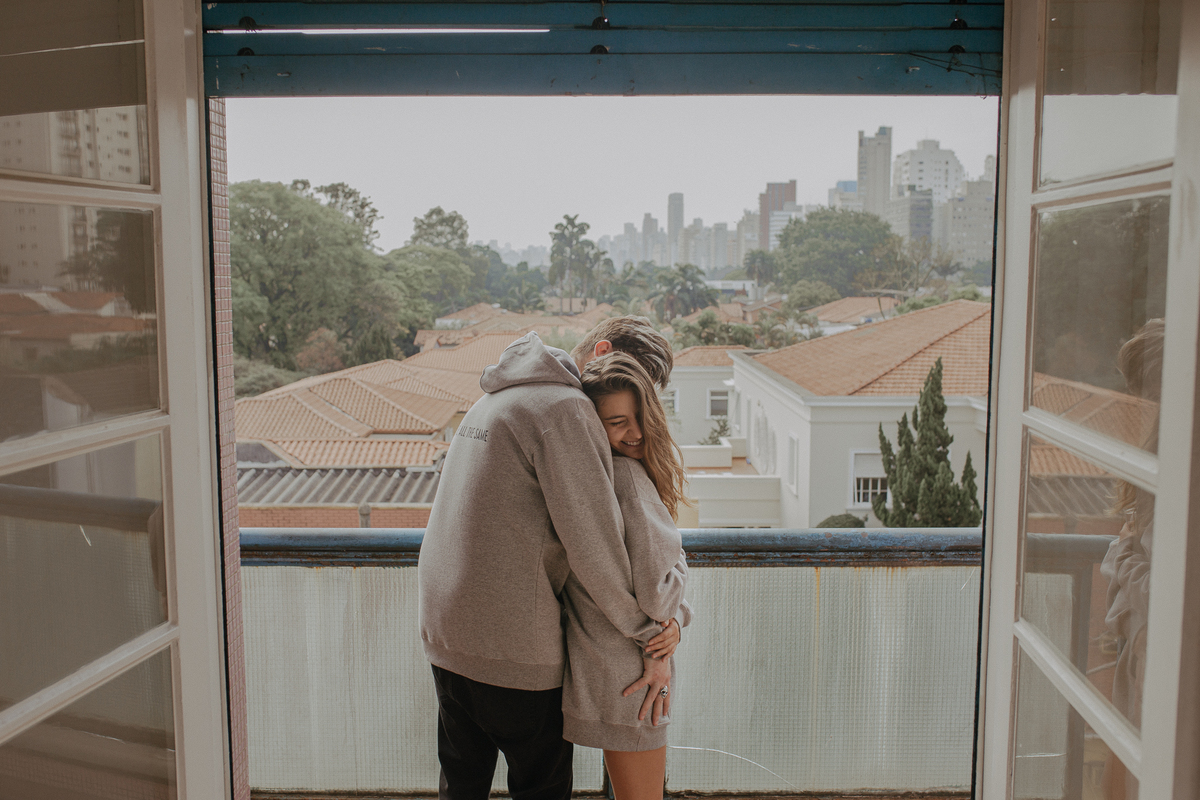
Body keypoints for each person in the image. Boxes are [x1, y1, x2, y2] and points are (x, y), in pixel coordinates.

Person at [418, 317, 680, 799]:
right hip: (513, 646)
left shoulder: (500, 393)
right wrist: (654, 634)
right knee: (542, 788)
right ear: (603, 354)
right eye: (630, 397)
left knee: (462, 785)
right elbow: (594, 548)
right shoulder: (566, 409)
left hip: (447, 634)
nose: (635, 427)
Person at [566, 352, 692, 799]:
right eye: (617, 422)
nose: (635, 433)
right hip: (636, 673)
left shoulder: (589, 480)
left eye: (640, 417)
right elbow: (659, 598)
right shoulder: (628, 476)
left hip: (599, 664)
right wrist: (681, 574)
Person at [1101, 318, 1162, 800]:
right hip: (1145, 657)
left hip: (1159, 668)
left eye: (1144, 391)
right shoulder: (1162, 459)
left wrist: (1124, 554)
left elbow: (1172, 594)